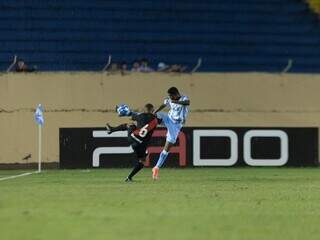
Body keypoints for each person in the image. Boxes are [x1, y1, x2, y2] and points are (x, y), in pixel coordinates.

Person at [106, 103, 159, 182]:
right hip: (142, 144)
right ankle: (129, 177)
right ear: (152, 110)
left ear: (145, 110)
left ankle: (112, 129)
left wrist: (119, 111)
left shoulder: (140, 115)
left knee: (130, 125)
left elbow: (129, 113)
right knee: (143, 161)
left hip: (133, 138)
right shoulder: (156, 120)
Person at [152, 87, 190, 180]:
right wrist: (155, 111)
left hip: (176, 126)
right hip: (168, 119)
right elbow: (163, 104)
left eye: (171, 96)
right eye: (169, 96)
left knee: (167, 149)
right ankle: (141, 121)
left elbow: (187, 103)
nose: (170, 98)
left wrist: (175, 102)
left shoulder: (183, 98)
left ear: (176, 94)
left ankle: (156, 168)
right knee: (156, 115)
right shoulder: (170, 99)